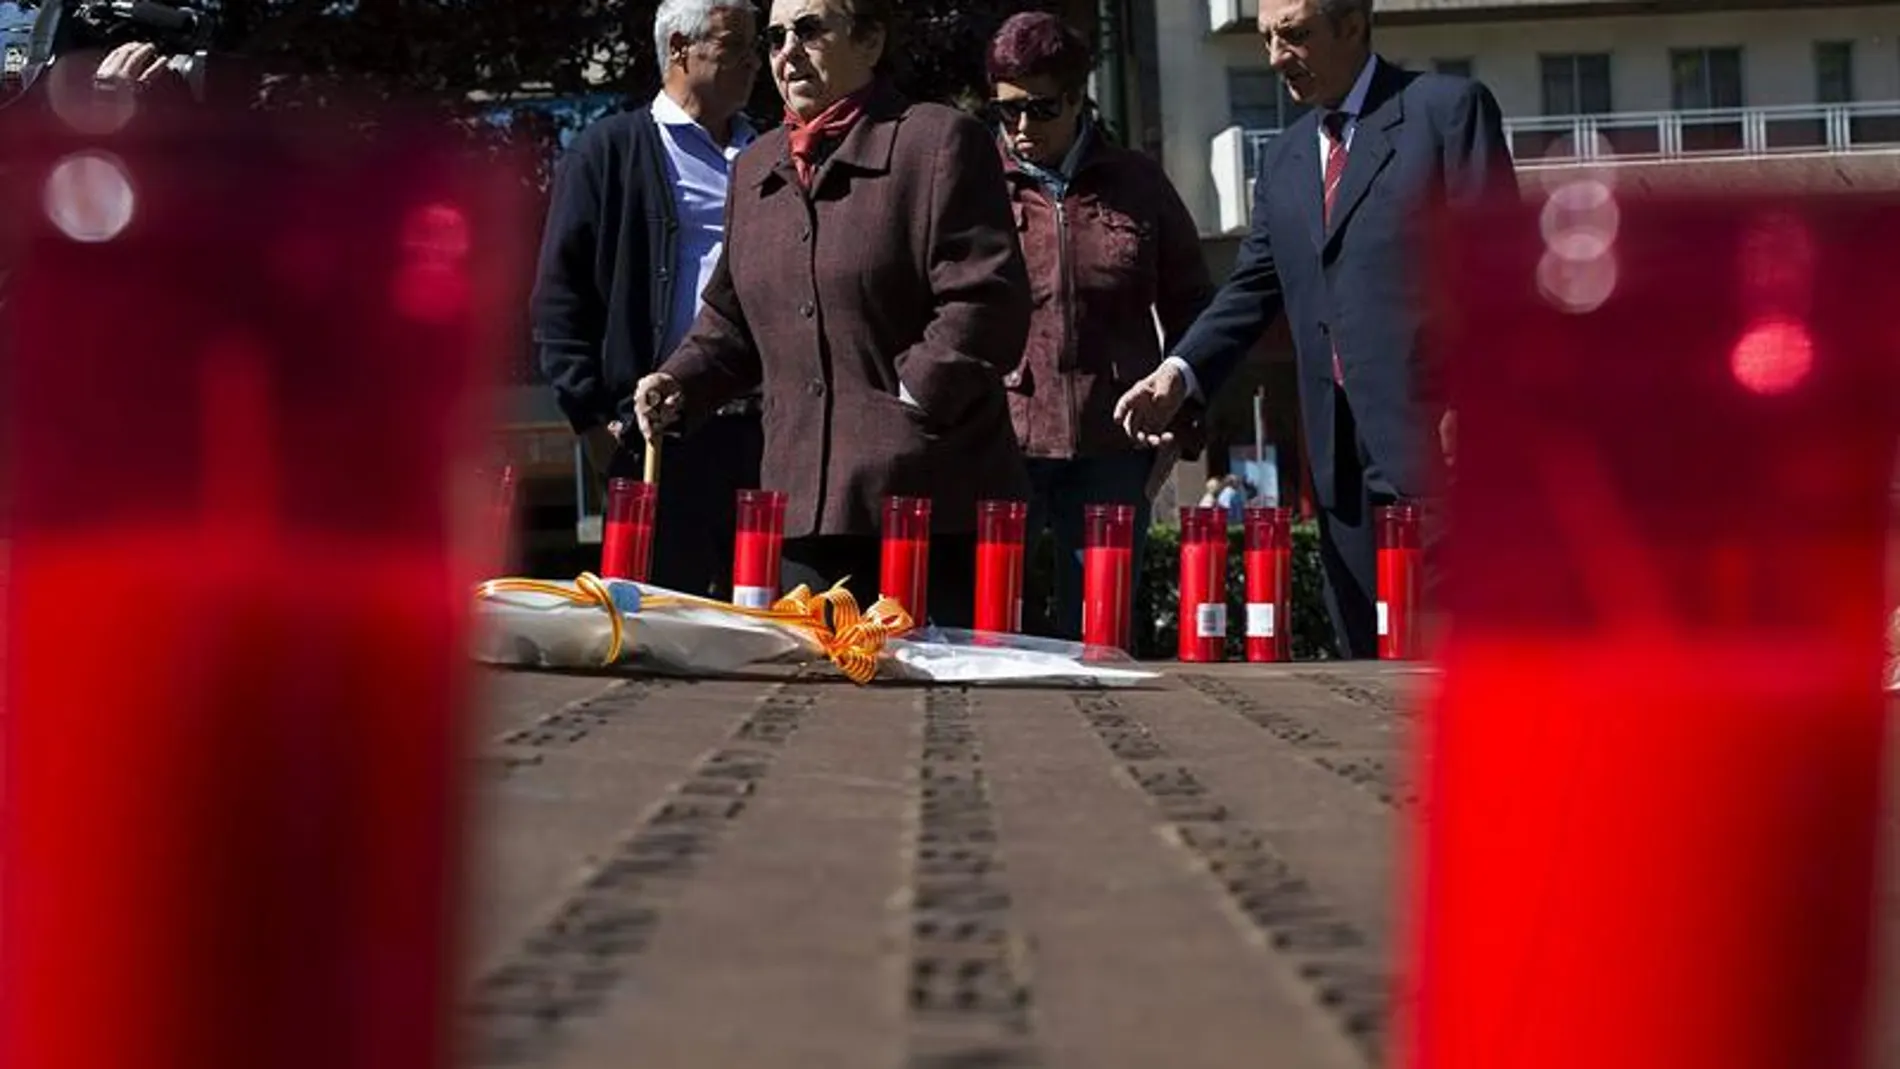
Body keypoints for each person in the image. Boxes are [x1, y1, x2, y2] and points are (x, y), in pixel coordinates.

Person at [1112, 0, 1514, 658]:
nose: (1274, 57)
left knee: (1447, 667)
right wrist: (1177, 373)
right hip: (1334, 467)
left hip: (1437, 452)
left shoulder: (1447, 112)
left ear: (1353, 24)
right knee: (1363, 667)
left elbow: (1497, 272)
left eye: (1294, 35)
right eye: (1268, 38)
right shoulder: (1285, 158)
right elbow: (1250, 290)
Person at [633, 0, 1031, 628]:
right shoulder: (755, 170)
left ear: (870, 41)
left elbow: (988, 303)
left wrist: (910, 401)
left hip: (927, 508)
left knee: (948, 717)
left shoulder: (938, 143)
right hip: (801, 514)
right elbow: (730, 324)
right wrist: (678, 379)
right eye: (773, 38)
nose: (787, 51)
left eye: (810, 29)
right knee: (819, 716)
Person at [985, 11, 1213, 640]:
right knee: (995, 635)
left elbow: (1194, 303)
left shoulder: (1139, 183)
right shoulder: (972, 184)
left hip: (1116, 445)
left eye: (1041, 107)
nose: (1023, 126)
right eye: (1006, 110)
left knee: (1103, 638)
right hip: (1003, 447)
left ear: (1080, 96)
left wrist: (1183, 419)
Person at [530, 0, 764, 598]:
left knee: (765, 624)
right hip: (657, 433)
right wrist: (590, 422)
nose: (754, 59)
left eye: (756, 43)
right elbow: (560, 296)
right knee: (657, 626)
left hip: (764, 430)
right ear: (680, 49)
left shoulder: (770, 154)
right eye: (735, 43)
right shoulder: (607, 152)